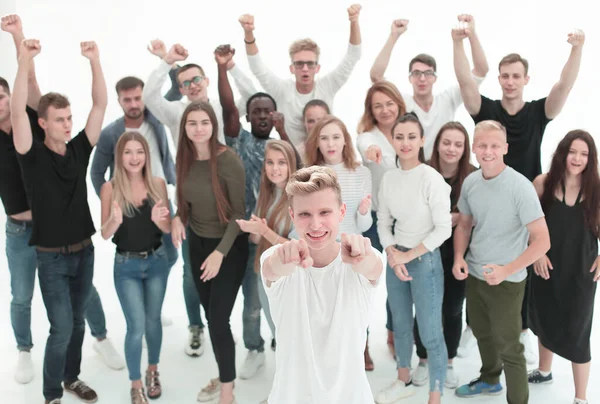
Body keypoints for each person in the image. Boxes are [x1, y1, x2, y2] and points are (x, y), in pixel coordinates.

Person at [454, 26, 585, 364]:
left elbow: (564, 86)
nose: (510, 81)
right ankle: (475, 325)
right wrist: (458, 42)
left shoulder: (537, 113)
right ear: (499, 79)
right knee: (478, 258)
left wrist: (577, 48)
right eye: (505, 76)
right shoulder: (487, 112)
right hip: (487, 202)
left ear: (526, 79)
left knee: (522, 271)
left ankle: (523, 333)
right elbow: (467, 83)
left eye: (516, 76)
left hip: (527, 206)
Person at [12, 38, 107, 404]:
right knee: (62, 328)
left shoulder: (80, 148)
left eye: (69, 118)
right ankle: (51, 394)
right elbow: (18, 114)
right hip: (51, 258)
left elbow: (100, 103)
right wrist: (24, 61)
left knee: (78, 322)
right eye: (60, 120)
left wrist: (95, 61)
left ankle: (71, 378)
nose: (68, 125)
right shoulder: (30, 155)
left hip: (84, 252)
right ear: (43, 123)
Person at [260, 165, 383, 404]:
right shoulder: (275, 257)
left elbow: (373, 267)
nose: (315, 224)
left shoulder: (366, 258)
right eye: (305, 214)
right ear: (292, 216)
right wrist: (285, 259)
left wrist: (362, 256)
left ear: (341, 212)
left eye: (324, 212)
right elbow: (272, 268)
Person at [215, 44, 301, 380]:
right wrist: (223, 68)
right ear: (250, 116)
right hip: (249, 240)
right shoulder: (241, 141)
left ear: (276, 114)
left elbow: (300, 171)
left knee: (283, 304)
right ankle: (254, 349)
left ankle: (287, 348)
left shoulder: (282, 147)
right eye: (257, 111)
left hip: (282, 238)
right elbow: (227, 110)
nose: (263, 115)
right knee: (252, 303)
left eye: (268, 110)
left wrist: (282, 131)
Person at [452, 121, 550, 404]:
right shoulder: (471, 182)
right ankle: (490, 380)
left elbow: (543, 240)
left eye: (495, 145)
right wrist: (459, 257)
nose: (488, 151)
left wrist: (507, 270)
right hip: (475, 273)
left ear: (505, 148)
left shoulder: (520, 187)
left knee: (510, 347)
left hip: (508, 281)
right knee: (482, 332)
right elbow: (465, 224)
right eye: (482, 145)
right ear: (474, 149)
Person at [89, 74, 178, 368]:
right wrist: (116, 209)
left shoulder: (155, 121)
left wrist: (170, 63)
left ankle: (152, 306)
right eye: (127, 99)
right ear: (119, 101)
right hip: (127, 222)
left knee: (170, 254)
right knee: (137, 325)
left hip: (159, 201)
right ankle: (144, 312)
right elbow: (96, 172)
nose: (134, 103)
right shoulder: (111, 133)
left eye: (138, 97)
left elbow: (173, 95)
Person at [171, 101, 247, 404]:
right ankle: (225, 373)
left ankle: (227, 390)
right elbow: (185, 203)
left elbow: (239, 215)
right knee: (212, 317)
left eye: (204, 122)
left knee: (218, 320)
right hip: (198, 245)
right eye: (192, 123)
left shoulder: (228, 160)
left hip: (228, 247)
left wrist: (220, 253)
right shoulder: (184, 158)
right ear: (185, 128)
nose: (199, 128)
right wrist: (178, 217)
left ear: (213, 125)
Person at [374, 114, 451, 404]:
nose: (405, 143)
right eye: (399, 137)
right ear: (392, 140)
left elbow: (443, 228)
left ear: (421, 140)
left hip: (425, 260)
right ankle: (402, 379)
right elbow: (382, 221)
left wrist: (409, 255)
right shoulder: (390, 179)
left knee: (430, 331)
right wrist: (393, 254)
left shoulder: (431, 178)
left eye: (411, 137)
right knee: (401, 324)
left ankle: (435, 393)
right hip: (397, 260)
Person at [99, 133, 171, 404]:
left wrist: (158, 220)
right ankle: (136, 383)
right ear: (120, 157)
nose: (134, 157)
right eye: (128, 152)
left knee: (153, 320)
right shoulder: (110, 188)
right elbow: (105, 234)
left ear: (146, 155)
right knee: (136, 326)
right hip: (126, 265)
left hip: (156, 262)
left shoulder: (157, 184)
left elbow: (167, 227)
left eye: (139, 151)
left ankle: (153, 370)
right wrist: (115, 221)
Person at [528, 130, 600, 404]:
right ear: (563, 152)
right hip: (546, 267)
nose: (578, 158)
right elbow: (528, 223)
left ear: (590, 159)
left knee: (578, 332)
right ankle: (545, 371)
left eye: (584, 154)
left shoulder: (596, 189)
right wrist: (536, 252)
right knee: (545, 319)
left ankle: (580, 397)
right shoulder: (543, 183)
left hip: (581, 272)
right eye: (573, 151)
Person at [304, 114, 374, 369]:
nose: (331, 143)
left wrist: (364, 211)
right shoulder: (309, 174)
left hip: (349, 251)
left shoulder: (361, 173)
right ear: (318, 143)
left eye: (336, 137)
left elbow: (364, 227)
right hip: (320, 251)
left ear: (345, 140)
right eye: (324, 138)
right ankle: (325, 359)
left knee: (353, 308)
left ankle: (360, 351)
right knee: (322, 310)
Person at [410, 122, 477, 389]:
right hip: (424, 249)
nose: (451, 149)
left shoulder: (473, 176)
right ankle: (424, 359)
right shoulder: (421, 171)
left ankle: (448, 362)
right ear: (436, 144)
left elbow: (480, 214)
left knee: (451, 308)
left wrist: (460, 217)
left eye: (458, 144)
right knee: (425, 308)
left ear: (465, 149)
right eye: (446, 142)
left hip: (458, 254)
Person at [239, 4, 362, 147]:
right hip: (294, 161)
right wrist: (248, 32)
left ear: (317, 68)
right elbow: (257, 67)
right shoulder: (282, 90)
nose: (305, 68)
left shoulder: (327, 86)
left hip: (325, 158)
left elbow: (353, 56)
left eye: (310, 64)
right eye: (299, 64)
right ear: (292, 68)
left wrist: (354, 21)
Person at [370, 14, 489, 160]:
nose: (422, 79)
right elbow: (376, 76)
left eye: (427, 73)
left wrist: (471, 34)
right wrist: (394, 35)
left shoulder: (448, 98)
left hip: (446, 169)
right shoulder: (402, 102)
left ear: (435, 78)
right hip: (415, 170)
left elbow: (480, 71)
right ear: (410, 78)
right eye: (417, 73)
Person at [236, 139, 299, 402]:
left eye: (281, 163)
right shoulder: (266, 193)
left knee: (288, 337)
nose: (275, 169)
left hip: (289, 279)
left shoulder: (300, 198)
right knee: (279, 335)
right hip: (265, 272)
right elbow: (259, 239)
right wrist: (253, 231)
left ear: (291, 165)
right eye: (270, 163)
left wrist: (264, 231)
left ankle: (293, 392)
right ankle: (285, 391)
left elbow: (297, 247)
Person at [355, 80, 406, 356]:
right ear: (370, 111)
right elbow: (364, 142)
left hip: (404, 220)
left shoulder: (408, 133)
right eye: (378, 106)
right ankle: (360, 340)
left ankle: (394, 333)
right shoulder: (368, 135)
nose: (385, 110)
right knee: (363, 279)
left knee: (398, 278)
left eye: (389, 103)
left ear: (398, 103)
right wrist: (370, 152)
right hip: (372, 219)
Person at [143, 39, 257, 146]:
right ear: (181, 90)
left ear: (206, 81)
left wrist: (231, 66)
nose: (193, 86)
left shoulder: (221, 108)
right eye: (186, 83)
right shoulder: (176, 112)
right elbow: (149, 97)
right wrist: (168, 60)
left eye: (196, 79)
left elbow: (252, 99)